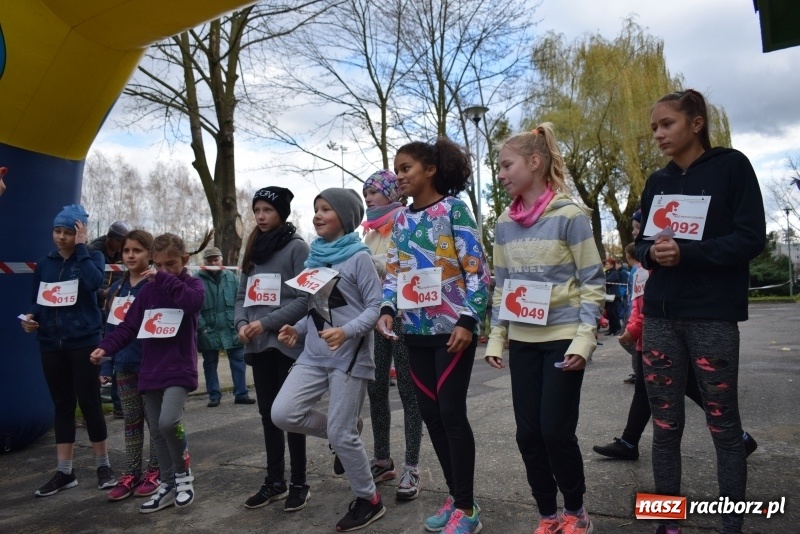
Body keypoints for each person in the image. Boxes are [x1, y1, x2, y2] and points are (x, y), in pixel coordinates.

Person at [636, 89, 765, 534]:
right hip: (659, 317)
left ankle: (732, 526)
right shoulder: (657, 181)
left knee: (723, 425)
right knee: (665, 423)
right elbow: (640, 244)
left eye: (666, 124)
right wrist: (652, 253)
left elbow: (751, 238)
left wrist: (688, 254)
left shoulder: (733, 167)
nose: (658, 134)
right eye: (654, 127)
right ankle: (666, 522)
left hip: (712, 314)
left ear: (696, 123)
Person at [484, 124, 605, 534]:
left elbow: (592, 281)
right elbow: (501, 287)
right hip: (523, 341)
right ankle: (548, 514)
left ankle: (576, 510)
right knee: (527, 435)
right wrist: (497, 337)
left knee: (556, 431)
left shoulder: (571, 216)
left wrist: (584, 339)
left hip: (563, 340)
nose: (499, 174)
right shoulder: (503, 223)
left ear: (534, 163)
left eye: (505, 165)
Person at [377, 138, 490, 534]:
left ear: (430, 170)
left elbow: (477, 271)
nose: (399, 176)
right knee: (430, 416)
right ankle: (460, 497)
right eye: (397, 169)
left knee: (451, 414)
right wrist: (387, 309)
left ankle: (468, 510)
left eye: (406, 168)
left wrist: (467, 319)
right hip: (414, 332)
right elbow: (394, 272)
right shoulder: (402, 220)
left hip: (451, 333)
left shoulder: (454, 209)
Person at [272, 187, 385, 532]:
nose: (317, 215)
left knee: (340, 431)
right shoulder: (314, 260)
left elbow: (375, 308)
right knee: (283, 413)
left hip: (349, 356)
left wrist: (347, 332)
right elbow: (319, 310)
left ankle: (369, 499)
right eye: (316, 209)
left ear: (346, 217)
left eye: (326, 209)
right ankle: (347, 431)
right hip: (313, 354)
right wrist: (298, 329)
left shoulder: (359, 257)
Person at [90, 233, 205, 514]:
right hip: (151, 370)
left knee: (169, 423)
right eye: (160, 265)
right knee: (156, 429)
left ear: (185, 261)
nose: (164, 271)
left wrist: (163, 277)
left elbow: (192, 303)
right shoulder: (148, 293)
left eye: (171, 265)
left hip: (179, 368)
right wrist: (105, 348)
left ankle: (183, 475)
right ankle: (166, 484)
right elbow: (128, 327)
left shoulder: (192, 284)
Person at [20, 204, 116, 496]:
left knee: (89, 403)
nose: (61, 237)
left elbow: (94, 283)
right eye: (57, 231)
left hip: (83, 341)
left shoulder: (93, 257)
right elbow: (40, 300)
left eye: (68, 232)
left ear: (80, 232)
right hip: (50, 343)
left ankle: (103, 465)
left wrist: (84, 249)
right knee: (62, 406)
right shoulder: (45, 263)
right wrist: (31, 318)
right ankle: (64, 472)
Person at [234, 186, 311, 512]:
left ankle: (299, 483)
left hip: (285, 344)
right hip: (257, 345)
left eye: (267, 210)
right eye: (257, 210)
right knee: (268, 415)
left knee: (290, 416)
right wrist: (240, 324)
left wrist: (265, 324)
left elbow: (305, 299)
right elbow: (241, 296)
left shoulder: (297, 249)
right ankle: (275, 481)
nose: (261, 216)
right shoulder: (253, 248)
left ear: (281, 212)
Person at [361, 169, 424, 500]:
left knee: (410, 395)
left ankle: (412, 467)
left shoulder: (407, 220)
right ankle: (383, 459)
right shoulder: (369, 231)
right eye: (365, 192)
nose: (368, 197)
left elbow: (409, 266)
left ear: (392, 194)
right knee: (376, 390)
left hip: (405, 316)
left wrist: (375, 264)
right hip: (376, 318)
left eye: (374, 191)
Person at [99, 230, 161, 501]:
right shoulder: (117, 288)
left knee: (155, 422)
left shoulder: (156, 284)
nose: (131, 255)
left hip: (150, 365)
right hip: (123, 365)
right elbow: (110, 329)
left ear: (150, 254)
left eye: (137, 250)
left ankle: (156, 471)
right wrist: (104, 366)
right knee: (131, 421)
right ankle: (132, 472)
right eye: (126, 251)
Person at [196, 246, 253, 407]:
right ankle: (214, 395)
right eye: (210, 260)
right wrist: (202, 328)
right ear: (204, 262)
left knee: (238, 361)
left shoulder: (232, 277)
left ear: (222, 260)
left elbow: (240, 302)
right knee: (210, 363)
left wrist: (240, 323)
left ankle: (241, 394)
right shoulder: (197, 279)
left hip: (230, 327)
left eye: (216, 259)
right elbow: (195, 308)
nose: (213, 262)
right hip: (209, 329)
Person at [90, 220, 132, 418]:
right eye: (120, 243)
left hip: (114, 307)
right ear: (111, 239)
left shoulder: (121, 255)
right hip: (95, 308)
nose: (123, 249)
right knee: (99, 352)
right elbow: (86, 283)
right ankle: (94, 399)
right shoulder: (93, 251)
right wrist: (103, 294)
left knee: (118, 351)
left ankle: (119, 404)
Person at [603, 258, 622, 336]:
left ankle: (618, 328)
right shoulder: (607, 272)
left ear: (611, 264)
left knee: (613, 312)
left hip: (613, 296)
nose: (606, 265)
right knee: (609, 313)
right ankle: (611, 329)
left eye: (607, 264)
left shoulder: (614, 273)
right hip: (608, 296)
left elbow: (607, 281)